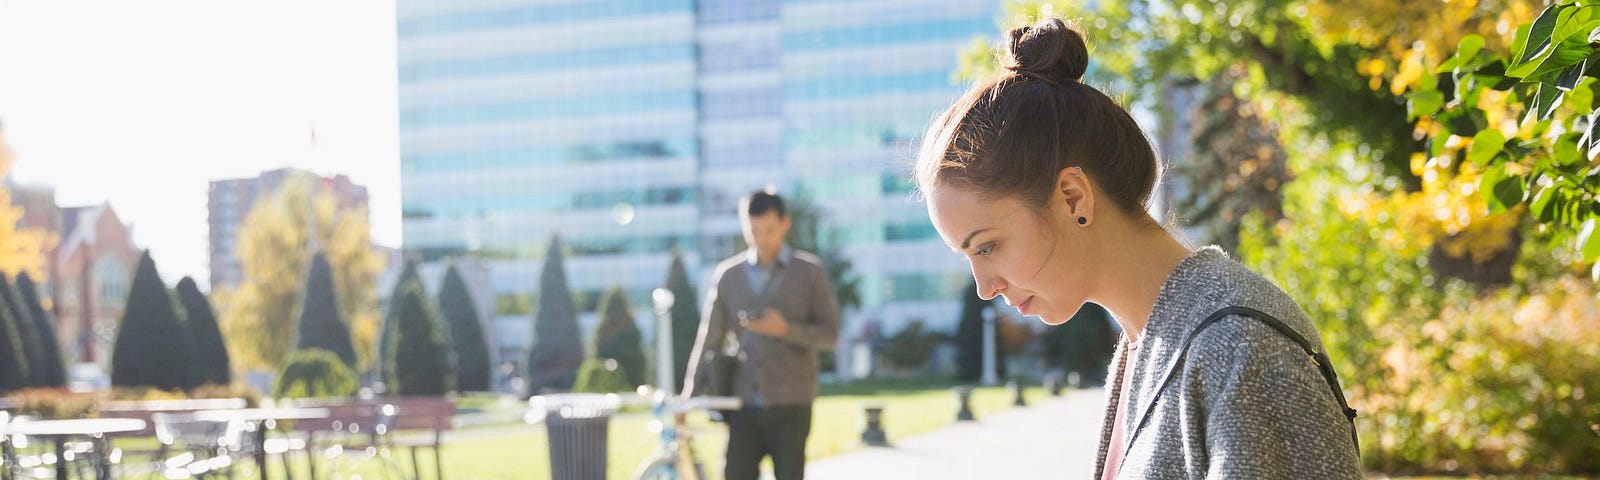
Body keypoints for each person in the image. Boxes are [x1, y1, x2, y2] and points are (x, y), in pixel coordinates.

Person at [913, 17, 1363, 479]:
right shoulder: (1151, 341)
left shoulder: (1238, 348)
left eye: (986, 247)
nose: (984, 288)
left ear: (1072, 197)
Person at [684, 189, 840, 480]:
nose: (761, 239)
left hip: (792, 404)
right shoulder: (728, 275)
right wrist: (687, 396)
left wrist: (786, 330)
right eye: (752, 230)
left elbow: (830, 335)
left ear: (785, 224)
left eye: (768, 230)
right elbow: (709, 338)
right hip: (743, 403)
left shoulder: (810, 272)